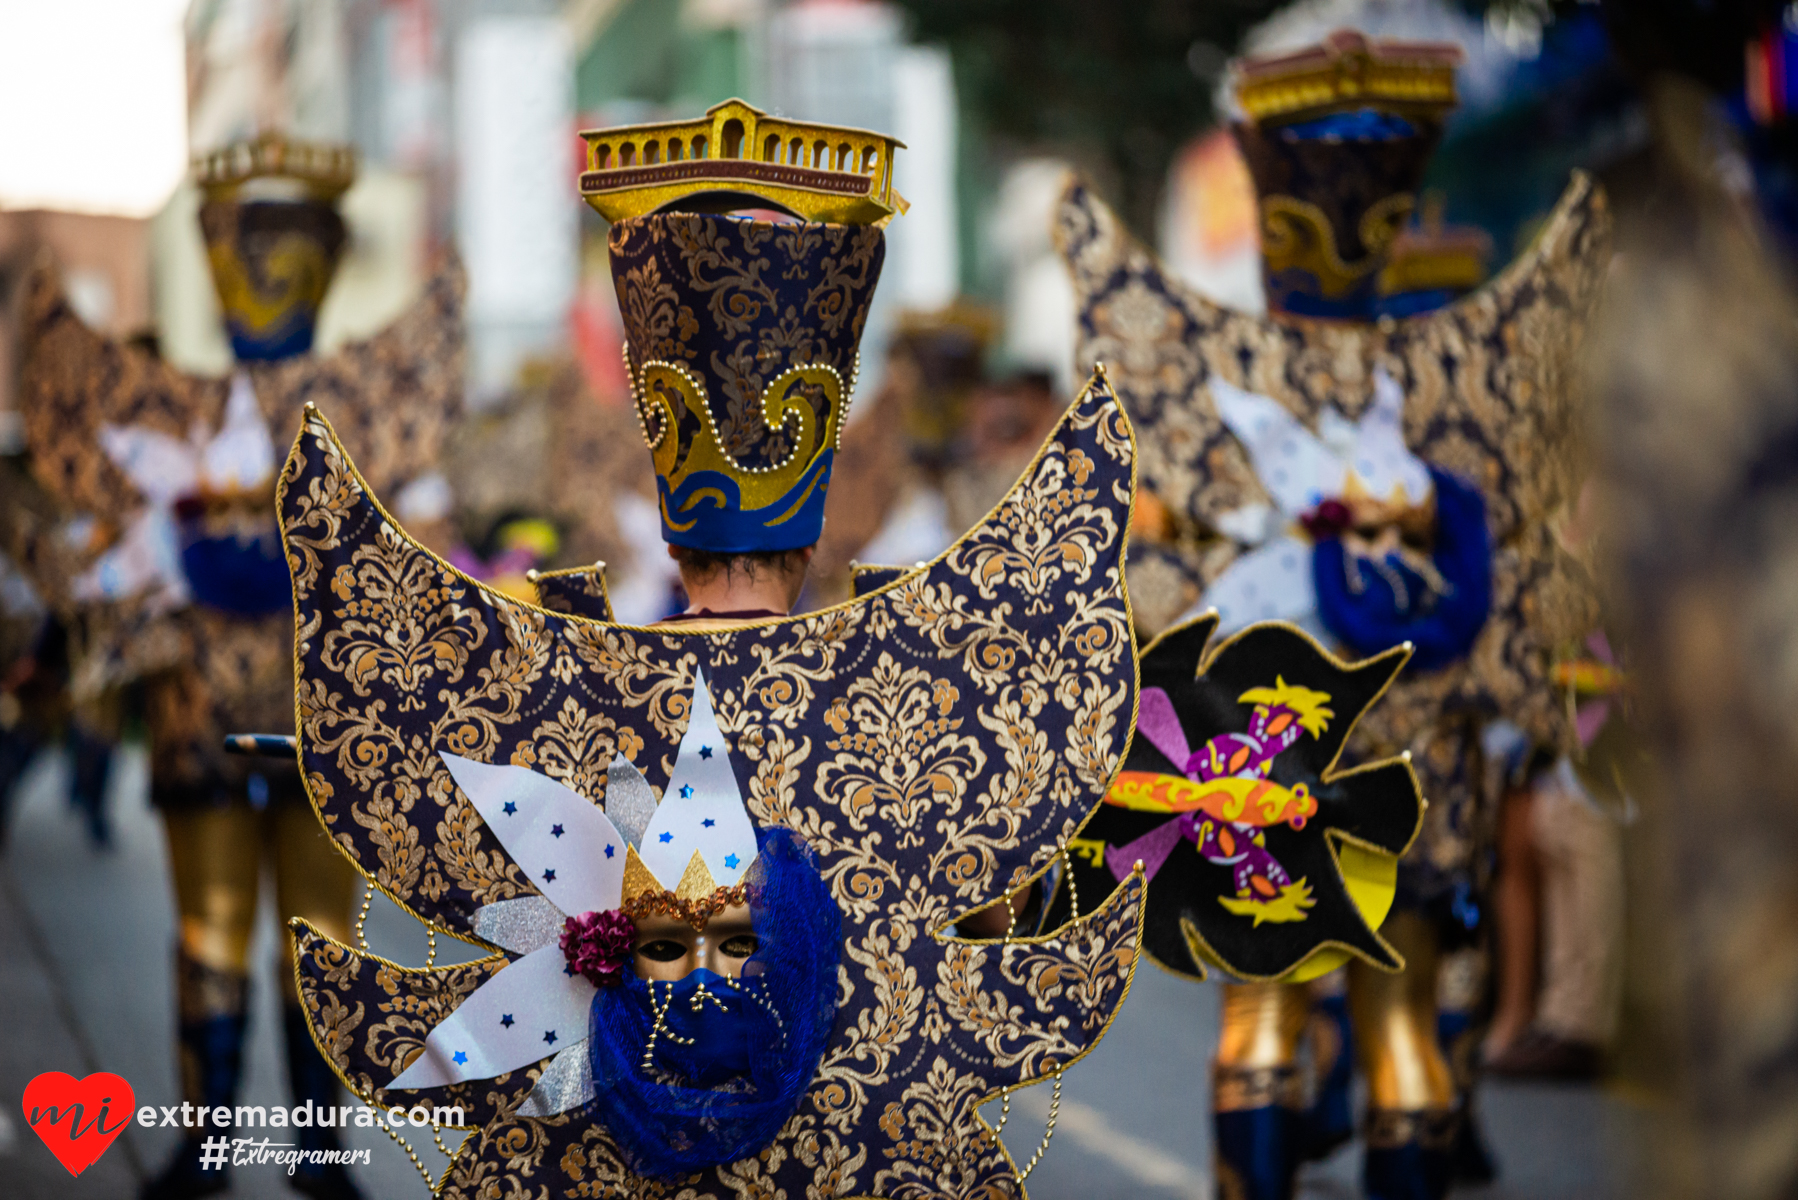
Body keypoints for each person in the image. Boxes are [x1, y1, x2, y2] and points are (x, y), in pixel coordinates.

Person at [275, 98, 1149, 1198]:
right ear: (813, 524)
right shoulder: (916, 701)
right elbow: (990, 912)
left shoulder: (560, 692)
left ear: (670, 522)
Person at [1057, 29, 1611, 1200]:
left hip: (1263, 753)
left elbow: (1156, 588)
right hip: (1420, 763)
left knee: (1260, 1013)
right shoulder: (1449, 394)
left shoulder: (1216, 385)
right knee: (1402, 1027)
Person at [15, 134, 463, 1200]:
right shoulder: (205, 409)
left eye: (284, 250)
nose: (262, 276)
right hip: (206, 712)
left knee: (316, 935)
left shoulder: (360, 411)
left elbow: (423, 566)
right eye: (244, 250)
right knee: (212, 929)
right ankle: (218, 1145)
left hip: (318, 721)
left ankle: (311, 1152)